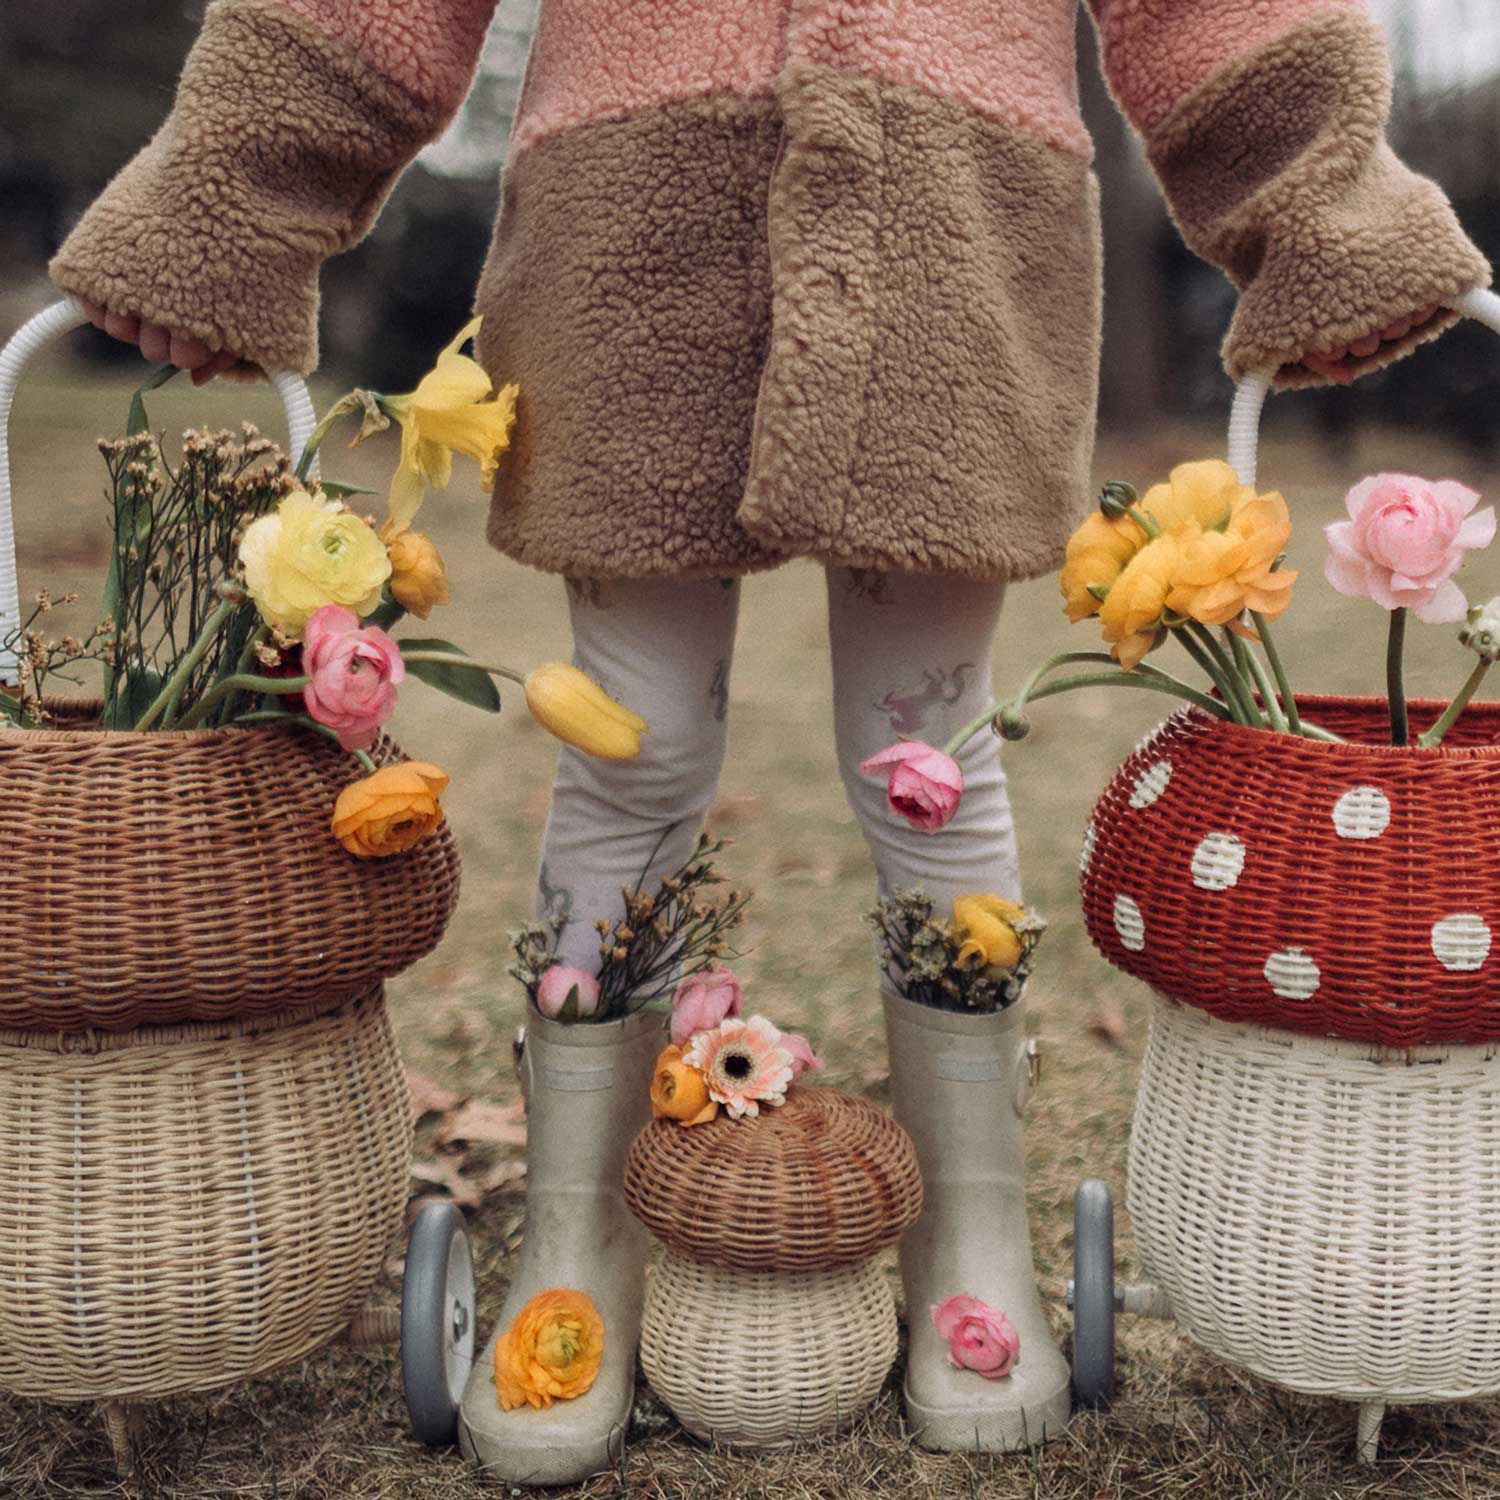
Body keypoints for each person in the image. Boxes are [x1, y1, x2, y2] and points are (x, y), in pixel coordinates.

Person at [50, 0, 1489, 1482]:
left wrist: (1324, 207)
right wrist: (231, 195)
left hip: (952, 224)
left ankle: (971, 1229)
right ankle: (576, 1240)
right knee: (635, 741)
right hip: (630, 231)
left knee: (927, 756)